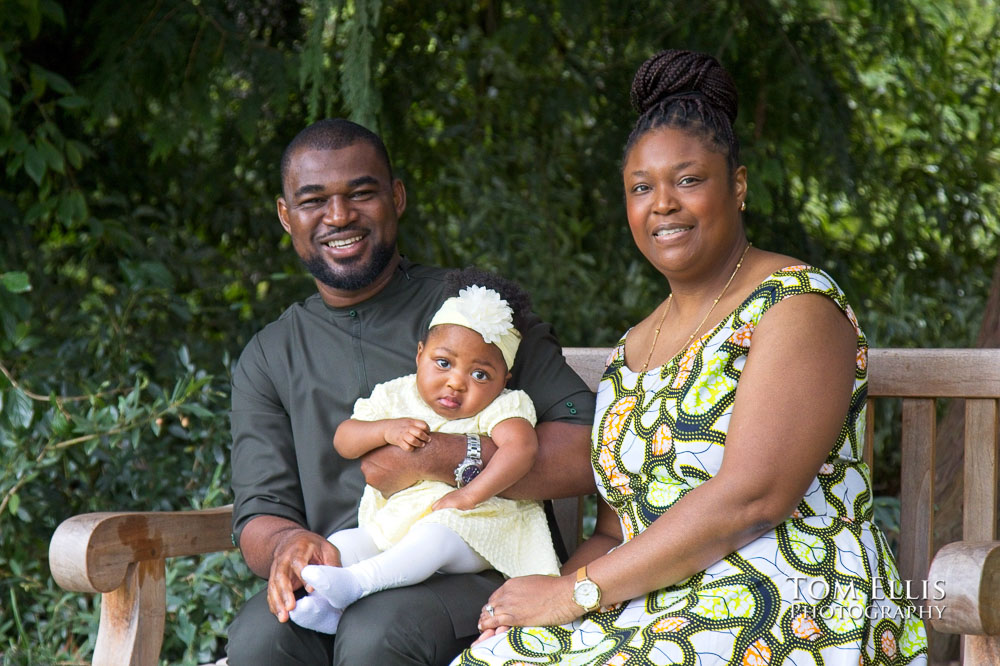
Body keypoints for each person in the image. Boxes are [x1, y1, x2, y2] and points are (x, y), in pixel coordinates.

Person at [456, 49, 928, 665]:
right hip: (656, 600)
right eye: (641, 188)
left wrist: (573, 594)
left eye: (688, 180)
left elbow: (751, 499)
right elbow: (612, 531)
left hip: (796, 598)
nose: (663, 204)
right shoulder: (633, 348)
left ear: (737, 184)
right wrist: (536, 608)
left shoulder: (795, 305)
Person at [226, 118, 596, 665]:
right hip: (345, 565)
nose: (339, 216)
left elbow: (591, 451)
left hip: (476, 561)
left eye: (361, 193)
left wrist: (440, 459)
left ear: (396, 198)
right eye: (313, 200)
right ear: (286, 216)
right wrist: (286, 545)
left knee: (378, 632)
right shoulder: (269, 355)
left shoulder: (474, 315)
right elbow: (261, 511)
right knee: (260, 639)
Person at [289, 269, 561, 634]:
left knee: (434, 536)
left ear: (503, 379)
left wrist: (469, 496)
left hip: (477, 527)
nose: (456, 382)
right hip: (400, 521)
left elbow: (521, 449)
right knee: (343, 542)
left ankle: (358, 585)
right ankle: (327, 608)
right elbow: (345, 439)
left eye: (480, 375)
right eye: (443, 363)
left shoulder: (502, 406)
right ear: (420, 355)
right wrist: (385, 428)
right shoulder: (397, 395)